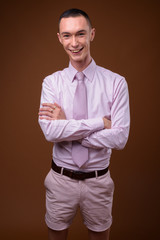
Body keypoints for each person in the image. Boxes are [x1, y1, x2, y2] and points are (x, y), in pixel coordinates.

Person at [38, 8, 130, 240]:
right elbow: (50, 131)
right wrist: (100, 123)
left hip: (99, 182)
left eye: (80, 34)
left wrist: (67, 126)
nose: (74, 42)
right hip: (60, 181)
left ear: (92, 34)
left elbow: (119, 138)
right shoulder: (51, 83)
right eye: (67, 35)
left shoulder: (116, 83)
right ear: (60, 38)